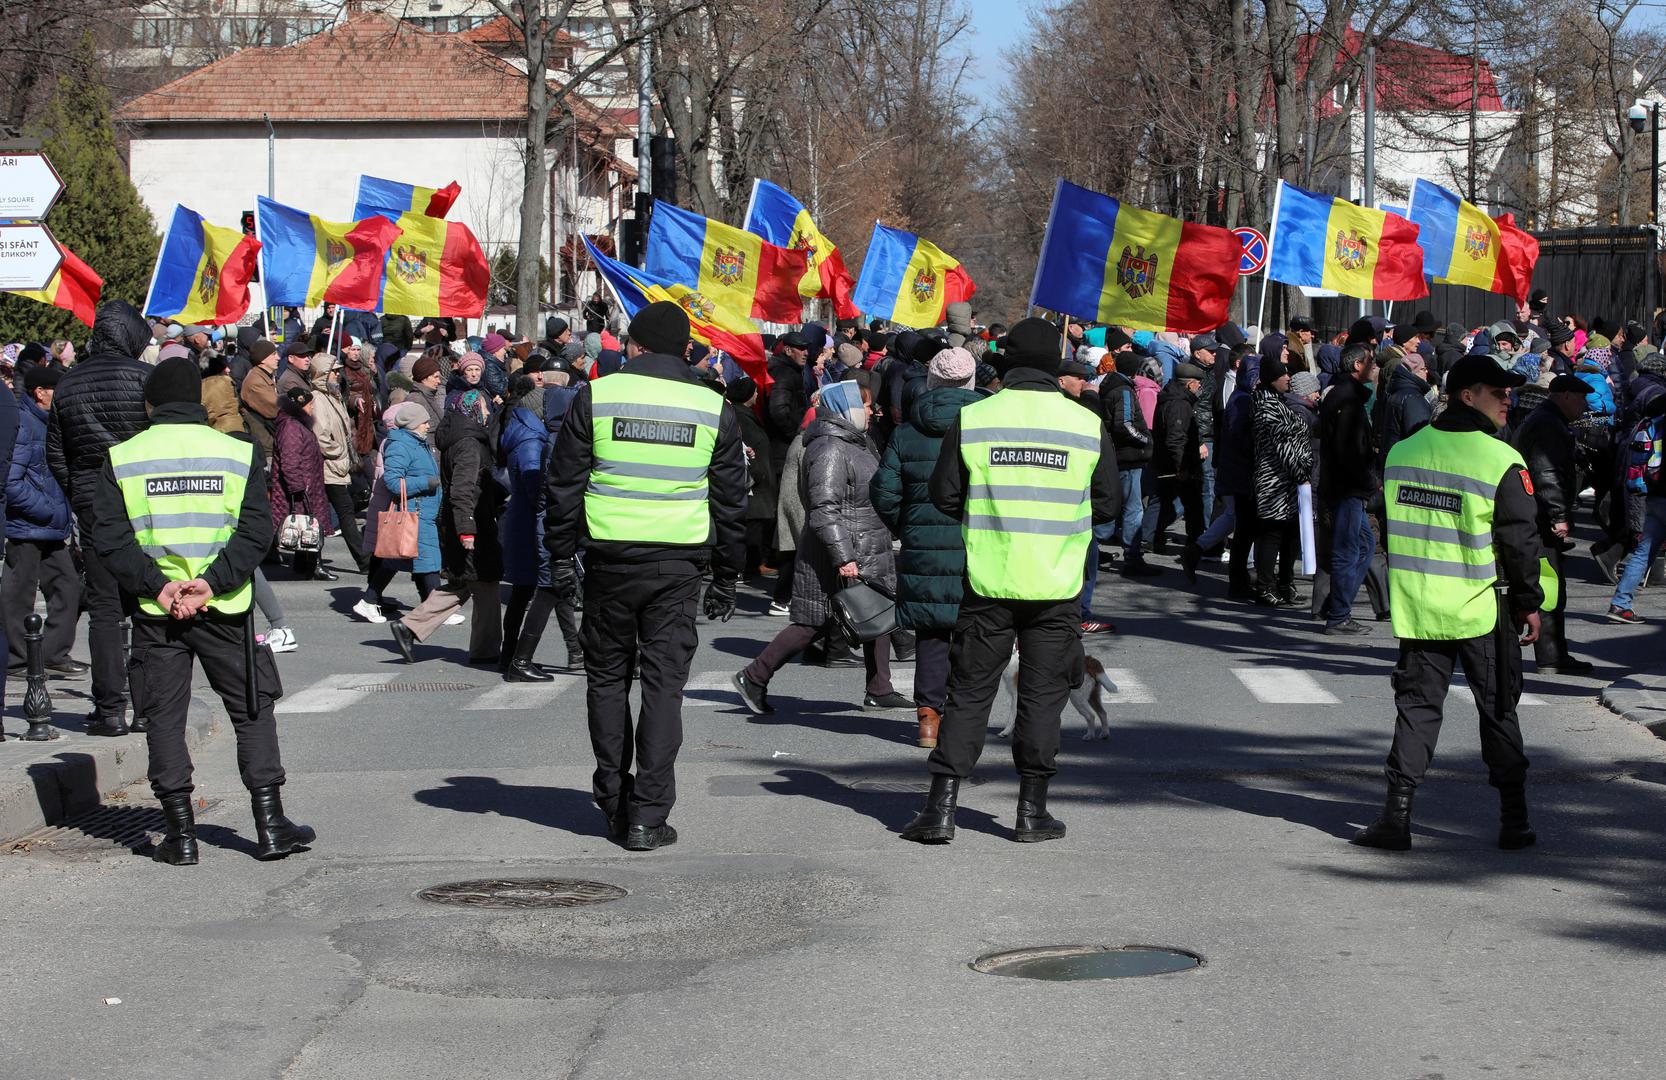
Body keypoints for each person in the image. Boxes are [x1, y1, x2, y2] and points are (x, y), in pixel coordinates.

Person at [899, 318, 1119, 845]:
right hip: (1055, 585)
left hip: (989, 581)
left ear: (1007, 362)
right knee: (1043, 698)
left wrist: (990, 514)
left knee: (970, 693)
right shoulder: (1085, 423)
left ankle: (941, 809)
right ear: (1055, 365)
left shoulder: (978, 417)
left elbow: (945, 494)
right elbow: (1109, 503)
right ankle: (1031, 812)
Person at [90, 356, 314, 865]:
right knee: (252, 711)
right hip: (226, 607)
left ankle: (180, 835)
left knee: (164, 719)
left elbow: (108, 537)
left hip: (157, 610)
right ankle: (271, 825)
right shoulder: (235, 452)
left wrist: (161, 586)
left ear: (150, 404)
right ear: (199, 402)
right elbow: (258, 530)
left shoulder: (124, 456)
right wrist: (211, 584)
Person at [546, 301, 748, 851]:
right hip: (677, 566)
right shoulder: (712, 407)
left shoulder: (599, 396)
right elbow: (731, 503)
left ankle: (613, 799)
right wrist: (728, 576)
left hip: (609, 561)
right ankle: (648, 814)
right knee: (664, 689)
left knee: (607, 680)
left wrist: (560, 557)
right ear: (687, 350)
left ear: (633, 346)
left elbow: (562, 486)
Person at [1354, 355, 1547, 852]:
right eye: (1498, 390)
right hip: (1482, 607)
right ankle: (1514, 820)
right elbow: (1521, 542)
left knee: (1416, 711)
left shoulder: (1403, 453)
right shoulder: (1500, 459)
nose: (1509, 398)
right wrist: (1530, 603)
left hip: (1420, 607)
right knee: (1499, 708)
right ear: (1468, 395)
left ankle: (1396, 818)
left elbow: (1394, 525)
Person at [734, 375, 913, 714]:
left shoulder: (855, 442)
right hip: (838, 550)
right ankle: (754, 676)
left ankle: (879, 688)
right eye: (862, 403)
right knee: (811, 622)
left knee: (879, 615)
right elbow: (823, 508)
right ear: (844, 407)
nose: (870, 409)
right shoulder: (831, 448)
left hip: (864, 545)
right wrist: (844, 556)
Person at [46, 300, 153, 736]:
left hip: (94, 506)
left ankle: (110, 709)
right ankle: (147, 707)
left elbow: (56, 450)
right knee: (149, 603)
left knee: (105, 610)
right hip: (144, 503)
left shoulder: (68, 383)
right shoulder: (146, 380)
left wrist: (80, 493)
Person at [870, 347, 981, 749]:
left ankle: (928, 720)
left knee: (931, 635)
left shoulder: (907, 431)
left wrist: (908, 526)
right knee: (974, 632)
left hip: (923, 544)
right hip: (978, 542)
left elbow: (884, 492)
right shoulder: (986, 425)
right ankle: (963, 719)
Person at [388, 390, 504, 665]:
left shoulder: (462, 439)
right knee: (486, 585)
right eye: (484, 408)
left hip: (467, 521)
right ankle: (486, 651)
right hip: (472, 524)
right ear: (473, 411)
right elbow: (462, 489)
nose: (487, 414)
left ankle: (410, 626)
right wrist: (467, 530)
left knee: (462, 583)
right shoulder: (469, 443)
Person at [1508, 375, 1593, 675]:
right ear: (1566, 396)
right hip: (1540, 518)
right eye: (1581, 398)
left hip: (1534, 514)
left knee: (1548, 585)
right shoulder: (1547, 425)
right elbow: (1546, 473)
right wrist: (1559, 516)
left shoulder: (1545, 420)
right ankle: (1552, 656)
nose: (1585, 405)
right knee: (1549, 586)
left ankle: (1553, 654)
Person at [5, 364, 84, 677]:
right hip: (27, 526)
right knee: (18, 595)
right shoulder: (24, 424)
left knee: (68, 587)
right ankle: (17, 660)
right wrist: (48, 510)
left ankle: (52, 653)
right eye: (57, 390)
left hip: (51, 528)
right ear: (40, 393)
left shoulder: (51, 423)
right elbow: (12, 482)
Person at [499, 374, 578, 680]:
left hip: (524, 522)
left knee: (528, 592)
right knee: (549, 589)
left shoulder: (524, 433)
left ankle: (511, 656)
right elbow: (541, 492)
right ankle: (522, 659)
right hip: (533, 525)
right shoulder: (534, 441)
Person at [1318, 344, 1381, 633]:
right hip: (1347, 489)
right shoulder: (1348, 401)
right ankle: (1339, 614)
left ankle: (1336, 604)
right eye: (1371, 362)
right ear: (1358, 366)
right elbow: (1348, 452)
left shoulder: (1345, 395)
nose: (1375, 367)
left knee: (1365, 545)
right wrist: (1370, 481)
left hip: (1348, 486)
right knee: (1347, 550)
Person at [363, 404, 444, 615]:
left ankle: (370, 600)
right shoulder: (401, 445)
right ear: (413, 424)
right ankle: (436, 611)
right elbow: (392, 482)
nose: (428, 425)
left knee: (400, 561)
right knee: (429, 563)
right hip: (415, 511)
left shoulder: (418, 443)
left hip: (422, 511)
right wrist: (426, 482)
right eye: (425, 422)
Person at [1250, 358, 1312, 607]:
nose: (1288, 378)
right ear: (1271, 378)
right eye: (1283, 375)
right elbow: (1283, 448)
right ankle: (1265, 587)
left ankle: (1285, 584)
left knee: (1289, 536)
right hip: (1274, 482)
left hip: (1286, 482)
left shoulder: (1277, 402)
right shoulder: (1267, 407)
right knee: (1272, 535)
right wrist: (1301, 472)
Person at [308, 351, 367, 572]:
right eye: (333, 371)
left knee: (330, 513)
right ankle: (363, 559)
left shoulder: (333, 396)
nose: (337, 375)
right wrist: (340, 451)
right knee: (344, 512)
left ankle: (310, 561)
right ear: (323, 374)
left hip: (338, 464)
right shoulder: (318, 398)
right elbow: (320, 435)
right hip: (329, 465)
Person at [270, 387, 333, 584]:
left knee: (306, 528)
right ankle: (315, 566)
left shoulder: (297, 424)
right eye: (309, 404)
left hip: (308, 485)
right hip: (301, 488)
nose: (312, 407)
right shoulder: (291, 427)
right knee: (309, 527)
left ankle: (304, 565)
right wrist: (298, 487)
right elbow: (290, 460)